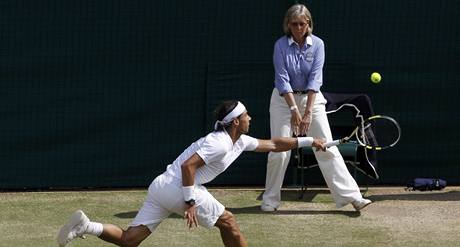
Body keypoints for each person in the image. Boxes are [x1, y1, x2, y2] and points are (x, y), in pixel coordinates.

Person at [57, 100, 326, 247]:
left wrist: (309, 141)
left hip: (161, 186)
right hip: (179, 187)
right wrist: (189, 202)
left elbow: (276, 144)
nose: (250, 119)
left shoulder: (238, 141)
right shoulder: (219, 141)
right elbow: (189, 167)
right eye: (246, 116)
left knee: (130, 240)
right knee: (229, 221)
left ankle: (87, 226)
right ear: (235, 122)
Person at [261, 4, 372, 212]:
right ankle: (270, 200)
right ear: (288, 25)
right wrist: (295, 110)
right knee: (279, 151)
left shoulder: (318, 44)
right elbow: (282, 79)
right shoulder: (280, 45)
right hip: (283, 101)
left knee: (326, 146)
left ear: (309, 24)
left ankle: (352, 197)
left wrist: (308, 111)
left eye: (302, 24)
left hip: (312, 100)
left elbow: (315, 78)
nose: (299, 28)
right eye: (294, 24)